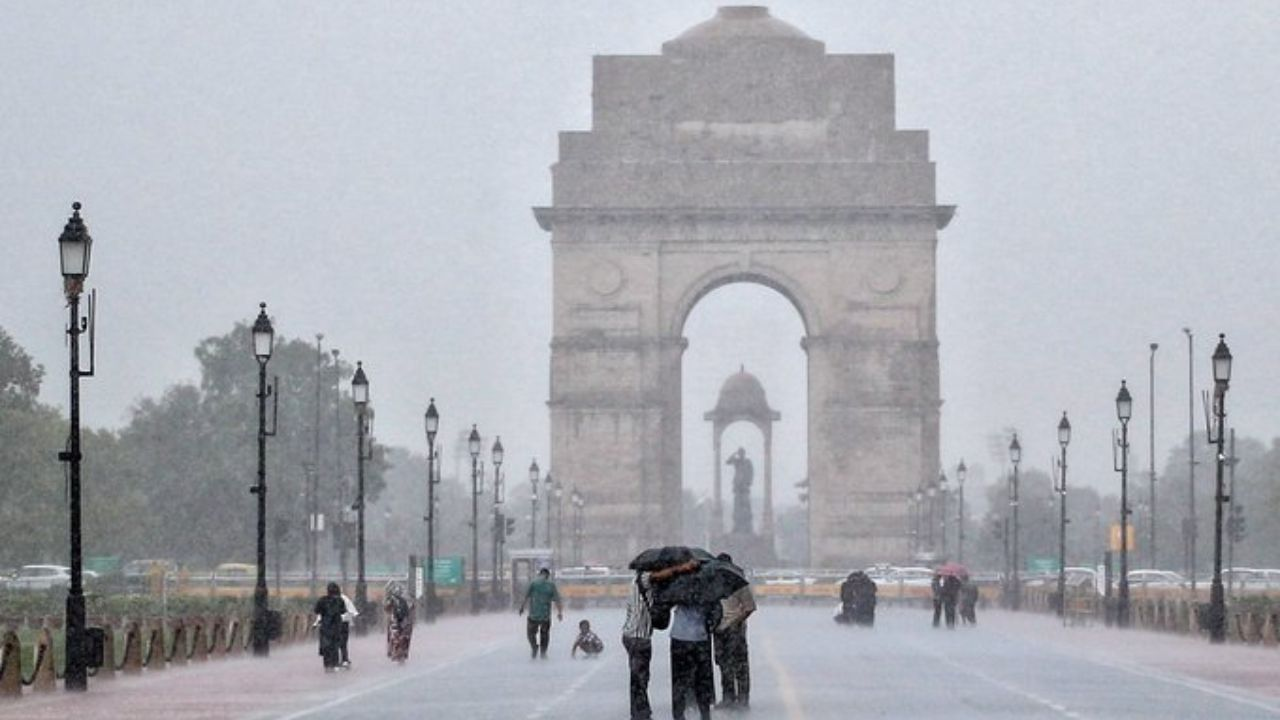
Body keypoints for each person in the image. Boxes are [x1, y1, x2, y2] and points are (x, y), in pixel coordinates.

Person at [622, 560, 699, 720]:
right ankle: (640, 714)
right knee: (640, 677)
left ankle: (640, 711)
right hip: (638, 636)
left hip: (632, 635)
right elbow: (660, 575)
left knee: (639, 677)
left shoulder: (637, 583)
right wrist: (681, 568)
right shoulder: (643, 579)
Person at [713, 553, 750, 710]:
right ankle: (728, 697)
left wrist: (735, 622)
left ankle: (742, 698)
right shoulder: (713, 585)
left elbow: (749, 607)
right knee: (723, 664)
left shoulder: (740, 584)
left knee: (739, 664)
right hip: (719, 630)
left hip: (735, 629)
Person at [670, 603, 715, 720]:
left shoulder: (677, 589)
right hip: (700, 637)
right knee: (702, 680)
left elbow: (664, 607)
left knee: (679, 680)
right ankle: (705, 714)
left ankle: (678, 714)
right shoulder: (707, 590)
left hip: (679, 637)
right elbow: (716, 613)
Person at [519, 567, 563, 659]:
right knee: (545, 634)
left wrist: (522, 607)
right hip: (545, 616)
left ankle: (534, 647)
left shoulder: (533, 583)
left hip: (533, 615)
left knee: (531, 633)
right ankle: (543, 652)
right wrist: (559, 613)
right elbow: (557, 600)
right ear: (548, 575)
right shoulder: (551, 585)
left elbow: (526, 596)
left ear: (540, 574)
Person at [313, 582, 346, 672]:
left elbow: (316, 610)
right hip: (336, 626)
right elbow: (343, 611)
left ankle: (327, 664)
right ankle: (335, 663)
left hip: (325, 626)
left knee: (326, 646)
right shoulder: (340, 600)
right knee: (335, 645)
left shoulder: (322, 600)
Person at [384, 581, 414, 663]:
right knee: (404, 635)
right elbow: (412, 609)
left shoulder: (391, 599)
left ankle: (394, 652)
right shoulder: (407, 599)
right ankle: (402, 653)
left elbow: (386, 608)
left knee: (395, 634)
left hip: (396, 619)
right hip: (405, 620)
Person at [339, 589, 359, 668]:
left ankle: (335, 660)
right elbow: (353, 611)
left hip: (333, 624)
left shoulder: (327, 599)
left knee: (334, 642)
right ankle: (345, 659)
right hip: (344, 622)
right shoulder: (344, 598)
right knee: (343, 642)